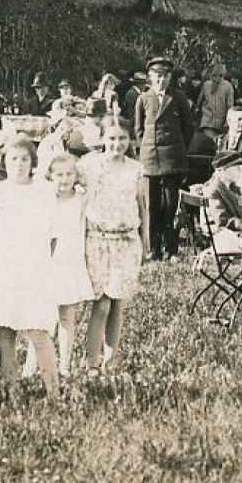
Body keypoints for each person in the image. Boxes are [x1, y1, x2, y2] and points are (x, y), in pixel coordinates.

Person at [0, 136, 60, 402]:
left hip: (33, 268)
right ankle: (11, 388)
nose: (19, 165)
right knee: (5, 330)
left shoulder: (43, 192)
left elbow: (53, 236)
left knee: (38, 331)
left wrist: (40, 266)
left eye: (24, 159)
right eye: (13, 159)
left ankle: (54, 391)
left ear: (33, 162)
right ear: (4, 162)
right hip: (3, 267)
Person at [78, 117, 147, 377]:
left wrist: (146, 238)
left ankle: (111, 361)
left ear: (129, 140)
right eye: (111, 138)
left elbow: (142, 206)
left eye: (121, 138)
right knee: (102, 303)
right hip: (98, 239)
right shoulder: (89, 166)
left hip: (127, 240)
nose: (116, 144)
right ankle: (92, 363)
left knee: (118, 302)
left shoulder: (135, 168)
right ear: (102, 139)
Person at [133, 56, 195, 261]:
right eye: (157, 76)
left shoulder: (178, 98)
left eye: (165, 76)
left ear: (170, 78)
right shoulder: (143, 99)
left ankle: (171, 248)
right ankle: (154, 248)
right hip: (150, 156)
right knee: (151, 205)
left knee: (170, 205)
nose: (161, 80)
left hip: (172, 157)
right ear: (150, 77)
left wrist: (177, 149)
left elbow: (188, 129)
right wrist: (148, 147)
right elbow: (139, 130)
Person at [196, 62, 234, 146]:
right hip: (221, 123)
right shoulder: (228, 86)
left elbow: (199, 102)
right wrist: (228, 122)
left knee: (207, 146)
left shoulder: (206, 84)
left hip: (207, 121)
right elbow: (230, 106)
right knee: (217, 147)